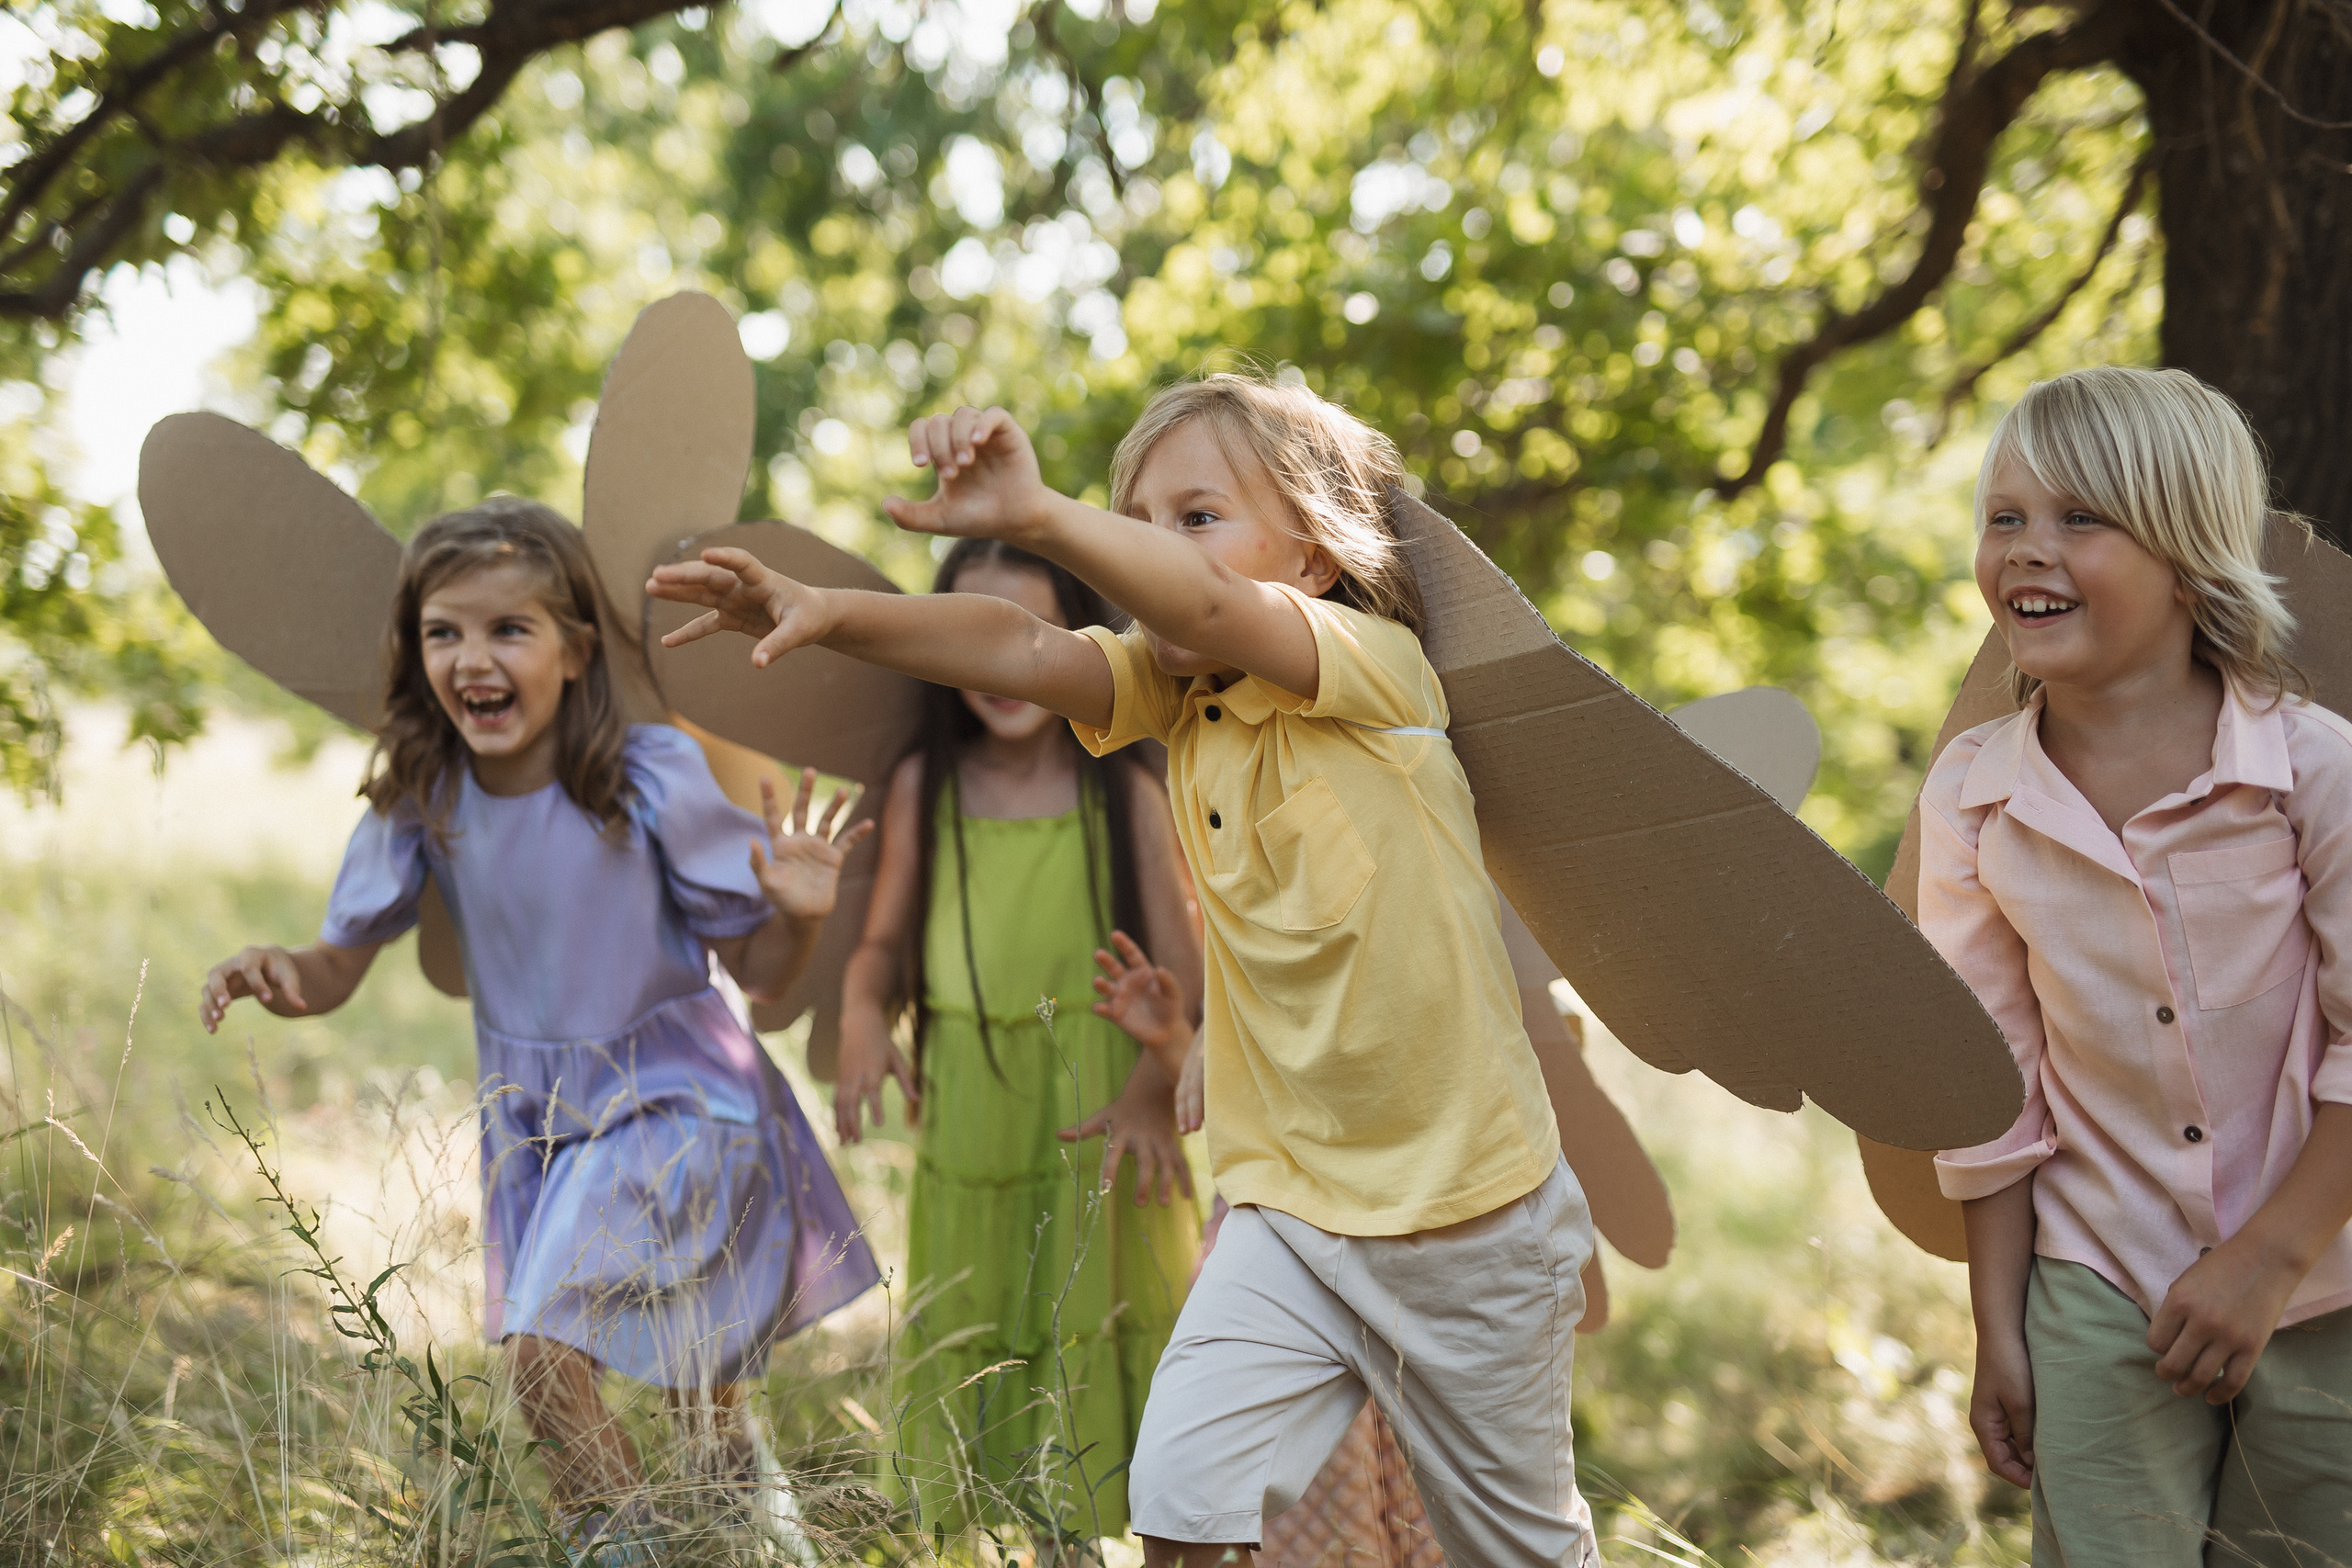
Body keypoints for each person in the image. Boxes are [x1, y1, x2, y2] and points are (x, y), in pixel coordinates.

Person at [649, 372, 1595, 1567]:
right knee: (1181, 1499)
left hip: (1470, 1216)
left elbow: (1205, 600)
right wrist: (829, 609)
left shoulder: (1372, 672)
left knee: (1516, 1550)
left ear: (1309, 556)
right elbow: (1020, 641)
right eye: (1134, 519)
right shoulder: (1174, 698)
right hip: (1291, 1206)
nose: (1157, 549)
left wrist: (1041, 511)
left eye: (1194, 513)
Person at [198, 498, 881, 1553]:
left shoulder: (644, 775)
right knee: (701, 1404)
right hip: (542, 1129)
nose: (473, 657)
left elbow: (759, 976)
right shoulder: (421, 796)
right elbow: (337, 963)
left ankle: (649, 1551)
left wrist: (796, 916)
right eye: (444, 631)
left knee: (540, 1356)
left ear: (575, 650)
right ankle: (745, 1540)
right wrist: (279, 972)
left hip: (681, 1101)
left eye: (507, 629)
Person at [1923, 367, 2352, 1566]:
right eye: (2005, 517)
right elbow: (1985, 1082)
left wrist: (2268, 1260)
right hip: (2095, 1275)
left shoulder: (2316, 772)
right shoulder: (1974, 795)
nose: (2026, 550)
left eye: (2080, 518)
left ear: (2186, 556)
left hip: (2327, 1268)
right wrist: (1998, 1323)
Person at [831, 536, 1203, 1543]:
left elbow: (1189, 988)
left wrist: (1157, 1075)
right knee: (984, 1351)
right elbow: (879, 952)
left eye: (1026, 637)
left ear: (1082, 645)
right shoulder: (925, 788)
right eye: (969, 638)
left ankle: (1080, 1547)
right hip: (973, 1126)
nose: (998, 666)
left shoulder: (1124, 793)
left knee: (1094, 1354)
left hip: (1102, 1124)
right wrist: (864, 1015)